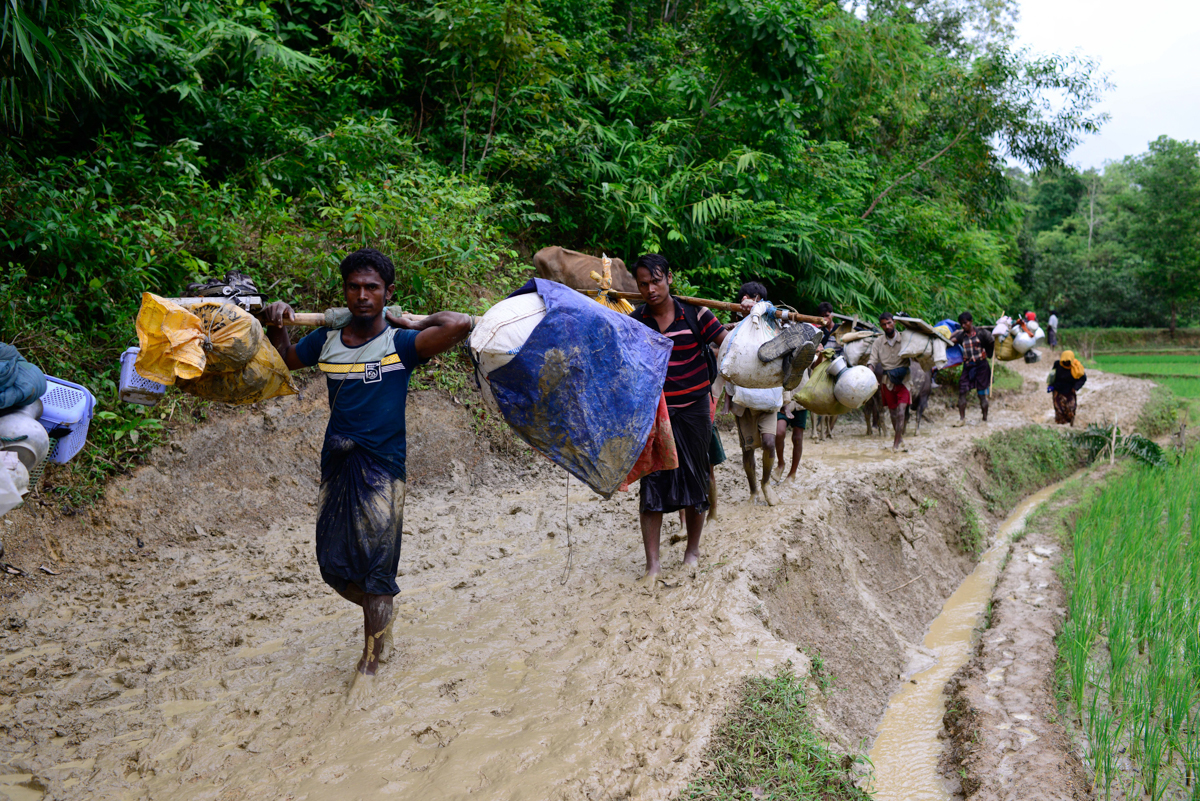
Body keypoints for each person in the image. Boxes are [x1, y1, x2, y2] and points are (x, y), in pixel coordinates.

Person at [263, 248, 472, 693]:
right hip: (337, 464)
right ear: (344, 291)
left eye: (372, 288)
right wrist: (276, 323)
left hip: (381, 469)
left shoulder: (402, 345)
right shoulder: (326, 341)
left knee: (377, 568)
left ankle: (373, 658)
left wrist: (416, 321)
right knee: (333, 568)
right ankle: (381, 611)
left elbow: (459, 324)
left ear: (388, 294)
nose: (362, 295)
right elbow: (284, 361)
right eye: (354, 287)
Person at [629, 254, 735, 581]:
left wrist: (752, 321)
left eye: (656, 281)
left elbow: (728, 345)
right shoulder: (636, 321)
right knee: (653, 483)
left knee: (696, 478)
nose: (650, 289)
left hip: (694, 410)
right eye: (643, 284)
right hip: (655, 414)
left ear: (669, 278)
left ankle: (692, 552)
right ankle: (653, 564)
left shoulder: (697, 315)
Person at [725, 282, 780, 507]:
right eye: (744, 298)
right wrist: (727, 400)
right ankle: (753, 490)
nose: (747, 302)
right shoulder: (736, 331)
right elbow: (727, 365)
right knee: (747, 450)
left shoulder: (774, 325)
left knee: (769, 442)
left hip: (769, 399)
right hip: (744, 402)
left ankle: (766, 483)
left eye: (752, 298)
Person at [867, 312, 910, 452]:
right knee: (892, 412)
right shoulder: (878, 342)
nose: (887, 326)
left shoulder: (905, 338)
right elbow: (872, 360)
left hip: (904, 380)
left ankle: (896, 444)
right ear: (881, 326)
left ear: (894, 322)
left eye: (889, 323)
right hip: (887, 380)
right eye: (884, 324)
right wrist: (868, 374)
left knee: (901, 411)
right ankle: (899, 438)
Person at [949, 312, 993, 426]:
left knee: (981, 394)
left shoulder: (982, 333)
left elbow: (992, 341)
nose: (963, 326)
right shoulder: (961, 336)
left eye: (965, 323)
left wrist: (989, 353)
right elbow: (949, 340)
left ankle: (984, 419)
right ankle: (961, 419)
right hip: (968, 367)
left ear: (971, 321)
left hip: (981, 367)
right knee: (962, 392)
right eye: (961, 324)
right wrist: (957, 331)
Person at [774, 387, 806, 482]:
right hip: (782, 399)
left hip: (801, 399)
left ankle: (792, 473)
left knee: (797, 438)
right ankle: (781, 464)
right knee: (779, 432)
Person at [1048, 350, 1087, 425]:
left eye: (1068, 361)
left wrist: (1075, 387)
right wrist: (1050, 385)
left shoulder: (1076, 368)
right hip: (1058, 390)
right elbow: (1052, 375)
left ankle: (1070, 425)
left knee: (1071, 409)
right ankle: (1060, 426)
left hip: (1070, 391)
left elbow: (1083, 378)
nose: (1066, 363)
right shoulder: (1057, 365)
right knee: (1059, 410)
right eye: (1064, 361)